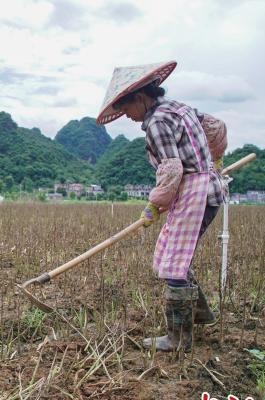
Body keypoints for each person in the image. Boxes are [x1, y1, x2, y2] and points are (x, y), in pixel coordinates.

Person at [96, 61, 225, 352]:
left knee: (173, 264)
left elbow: (171, 169)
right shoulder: (180, 108)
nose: (126, 116)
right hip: (206, 190)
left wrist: (154, 205)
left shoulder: (156, 123)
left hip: (195, 194)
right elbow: (217, 128)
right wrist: (214, 162)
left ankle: (178, 339)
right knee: (175, 258)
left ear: (140, 97)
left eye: (126, 109)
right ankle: (201, 315)